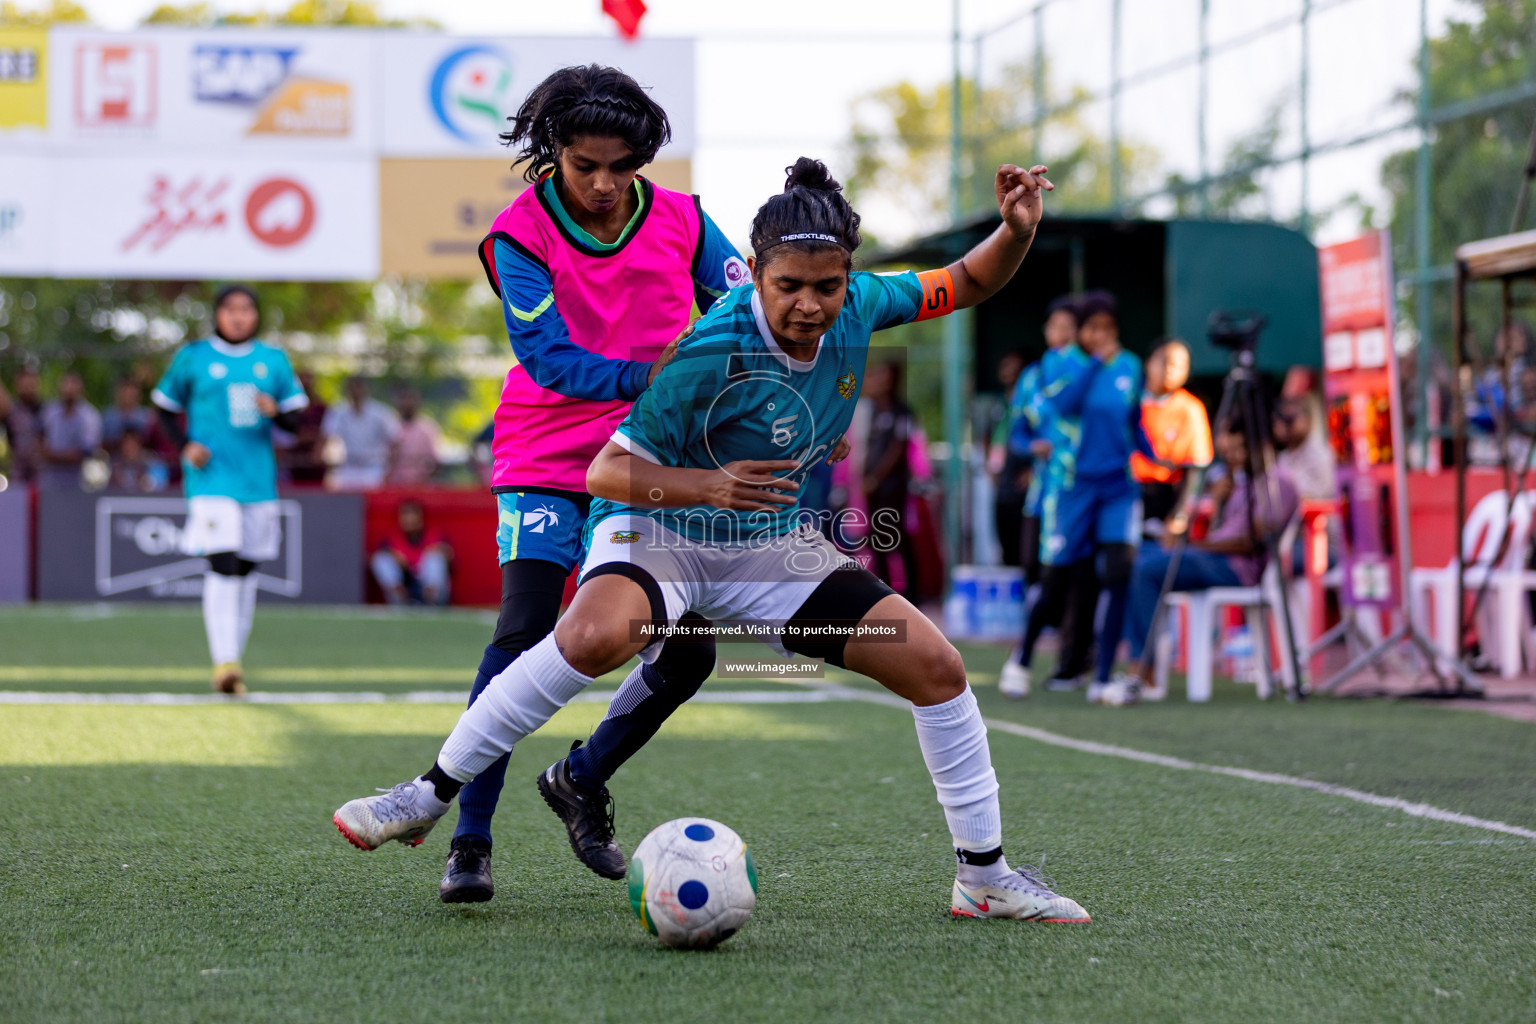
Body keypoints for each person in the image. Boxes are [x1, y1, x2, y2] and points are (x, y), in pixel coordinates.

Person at [334, 157, 1093, 924]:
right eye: (788, 285)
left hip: (769, 542)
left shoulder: (863, 303)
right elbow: (607, 471)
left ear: (847, 278)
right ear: (754, 272)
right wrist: (709, 487)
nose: (808, 304)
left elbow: (965, 281)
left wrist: (1017, 231)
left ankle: (984, 877)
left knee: (936, 667)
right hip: (658, 525)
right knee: (596, 635)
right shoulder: (711, 347)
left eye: (826, 287)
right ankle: (427, 795)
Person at [430, 65, 748, 905]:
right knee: (527, 627)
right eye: (585, 165)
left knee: (690, 650)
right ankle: (469, 841)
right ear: (552, 153)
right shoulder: (517, 236)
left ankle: (580, 778)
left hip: (646, 452)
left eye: (622, 166)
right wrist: (664, 375)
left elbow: (742, 311)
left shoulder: (682, 217)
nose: (605, 184)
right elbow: (550, 360)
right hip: (544, 450)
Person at [151, 284, 308, 694]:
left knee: (246, 571)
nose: (238, 316)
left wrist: (275, 413)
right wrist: (186, 445)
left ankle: (232, 664)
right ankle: (224, 660)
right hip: (211, 480)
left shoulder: (272, 361)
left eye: (246, 309)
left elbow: (296, 421)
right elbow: (164, 407)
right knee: (222, 564)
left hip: (258, 482)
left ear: (257, 316)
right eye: (230, 309)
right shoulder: (194, 357)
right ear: (217, 314)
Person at [1005, 291, 1152, 705]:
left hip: (1119, 488)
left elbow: (1134, 422)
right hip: (1070, 487)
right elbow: (1061, 407)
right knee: (1055, 579)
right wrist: (1093, 364)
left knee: (1117, 573)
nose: (1101, 335)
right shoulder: (1063, 370)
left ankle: (1103, 676)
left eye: (1108, 328)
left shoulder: (1131, 367)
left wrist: (1159, 457)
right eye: (1092, 328)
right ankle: (1021, 658)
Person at [1123, 415, 1301, 697]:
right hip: (1213, 557)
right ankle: (1140, 660)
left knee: (1147, 571)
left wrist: (1196, 544)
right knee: (1136, 557)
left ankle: (1143, 667)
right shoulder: (1241, 482)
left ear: (1259, 447)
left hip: (1237, 568)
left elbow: (1250, 542)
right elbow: (1221, 529)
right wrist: (1219, 501)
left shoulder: (1278, 483)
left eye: (1238, 450)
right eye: (1229, 452)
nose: (1233, 458)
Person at [998, 294, 1096, 697]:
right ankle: (1035, 656)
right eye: (1053, 325)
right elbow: (1016, 433)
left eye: (1068, 326)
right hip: (1042, 495)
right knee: (1040, 577)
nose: (1060, 333)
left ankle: (1066, 662)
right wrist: (1031, 447)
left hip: (1082, 491)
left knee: (1075, 579)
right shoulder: (1033, 377)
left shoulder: (1090, 371)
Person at [1130, 338, 1212, 537]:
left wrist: (1180, 515)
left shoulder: (1190, 408)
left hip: (1165, 499)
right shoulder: (1128, 402)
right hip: (1124, 491)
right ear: (1148, 362)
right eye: (1164, 360)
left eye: (1179, 364)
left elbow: (1196, 468)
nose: (1170, 368)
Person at [861, 360, 919, 598]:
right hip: (871, 490)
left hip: (892, 489)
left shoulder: (902, 411)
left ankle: (912, 594)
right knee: (876, 541)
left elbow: (899, 447)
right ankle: (883, 592)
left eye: (883, 375)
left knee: (897, 538)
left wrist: (876, 478)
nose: (878, 381)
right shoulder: (871, 411)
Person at [988, 351, 1029, 566]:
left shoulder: (1031, 404)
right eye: (1005, 366)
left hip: (1022, 487)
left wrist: (1033, 470)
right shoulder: (998, 404)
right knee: (1005, 544)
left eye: (1016, 367)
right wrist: (990, 466)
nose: (1009, 372)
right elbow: (986, 435)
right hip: (1001, 485)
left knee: (1025, 545)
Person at [322, 377, 399, 491]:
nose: (355, 391)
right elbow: (329, 438)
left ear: (366, 389)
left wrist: (389, 470)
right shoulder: (338, 411)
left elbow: (394, 441)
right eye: (352, 387)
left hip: (374, 468)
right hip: (346, 468)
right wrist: (330, 469)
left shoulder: (381, 412)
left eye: (359, 387)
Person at [371, 499, 453, 606]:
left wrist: (441, 552)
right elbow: (373, 558)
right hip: (406, 585)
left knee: (435, 559)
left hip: (430, 587)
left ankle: (431, 601)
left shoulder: (435, 535)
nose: (409, 520)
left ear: (421, 518)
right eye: (405, 515)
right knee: (381, 559)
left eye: (413, 515)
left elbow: (451, 562)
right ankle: (400, 600)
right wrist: (395, 557)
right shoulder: (391, 537)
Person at [38, 371, 102, 491]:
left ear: (82, 389)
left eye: (73, 384)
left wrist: (52, 456)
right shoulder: (49, 412)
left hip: (79, 482)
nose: (69, 389)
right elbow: (39, 443)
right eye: (66, 384)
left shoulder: (90, 416)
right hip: (50, 482)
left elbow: (86, 452)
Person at [273, 369, 328, 485]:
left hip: (314, 463)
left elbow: (325, 433)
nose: (305, 383)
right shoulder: (285, 407)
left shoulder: (320, 408)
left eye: (308, 380)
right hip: (289, 463)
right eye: (301, 380)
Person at [386, 388, 440, 487]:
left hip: (421, 483)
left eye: (411, 403)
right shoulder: (391, 427)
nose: (408, 405)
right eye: (404, 402)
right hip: (395, 483)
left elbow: (434, 460)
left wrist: (424, 474)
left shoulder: (428, 428)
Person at [3, 366, 42, 485]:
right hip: (18, 473)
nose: (28, 388)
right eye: (24, 385)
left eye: (31, 384)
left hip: (43, 474)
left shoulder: (46, 410)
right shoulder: (11, 411)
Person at [107, 426, 168, 493]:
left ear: (139, 443)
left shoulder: (153, 462)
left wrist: (145, 481)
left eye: (132, 443)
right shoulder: (115, 463)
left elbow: (160, 485)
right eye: (126, 443)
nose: (129, 447)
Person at [101, 378, 154, 453]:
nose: (127, 395)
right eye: (125, 391)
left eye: (131, 392)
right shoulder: (107, 417)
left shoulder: (148, 417)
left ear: (138, 395)